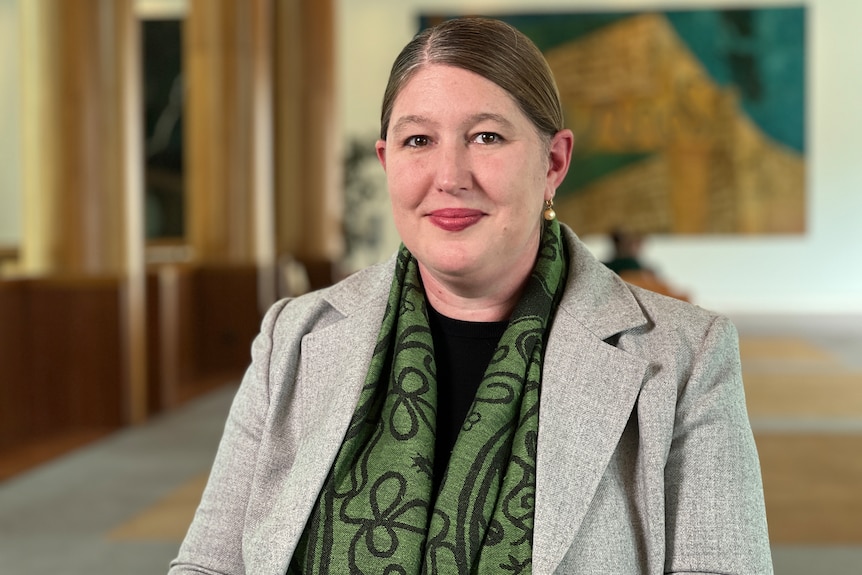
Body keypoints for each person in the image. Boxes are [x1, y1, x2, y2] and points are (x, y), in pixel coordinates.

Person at [169, 17, 772, 575]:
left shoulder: (687, 356)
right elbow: (209, 563)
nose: (450, 175)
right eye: (417, 142)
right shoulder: (294, 335)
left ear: (553, 162)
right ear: (386, 162)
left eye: (485, 136)